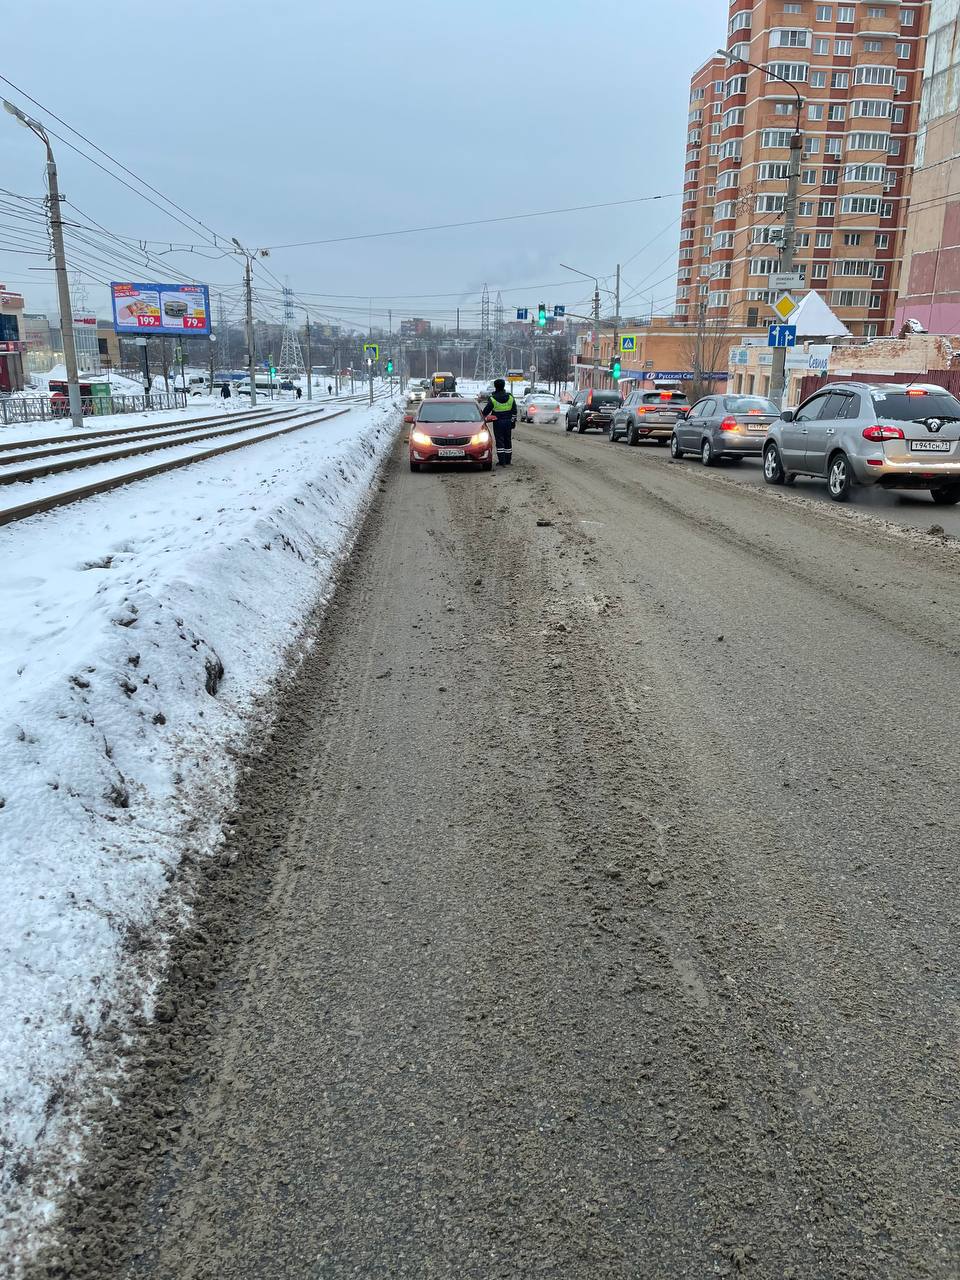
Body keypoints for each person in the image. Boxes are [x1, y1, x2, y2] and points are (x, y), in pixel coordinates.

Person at [480, 378, 518, 466]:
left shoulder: (493, 399)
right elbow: (514, 411)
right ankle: (508, 461)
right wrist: (513, 422)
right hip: (508, 422)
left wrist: (480, 417)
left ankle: (502, 461)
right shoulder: (510, 397)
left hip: (498, 423)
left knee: (500, 441)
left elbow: (485, 412)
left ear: (495, 387)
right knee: (508, 440)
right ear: (504, 386)